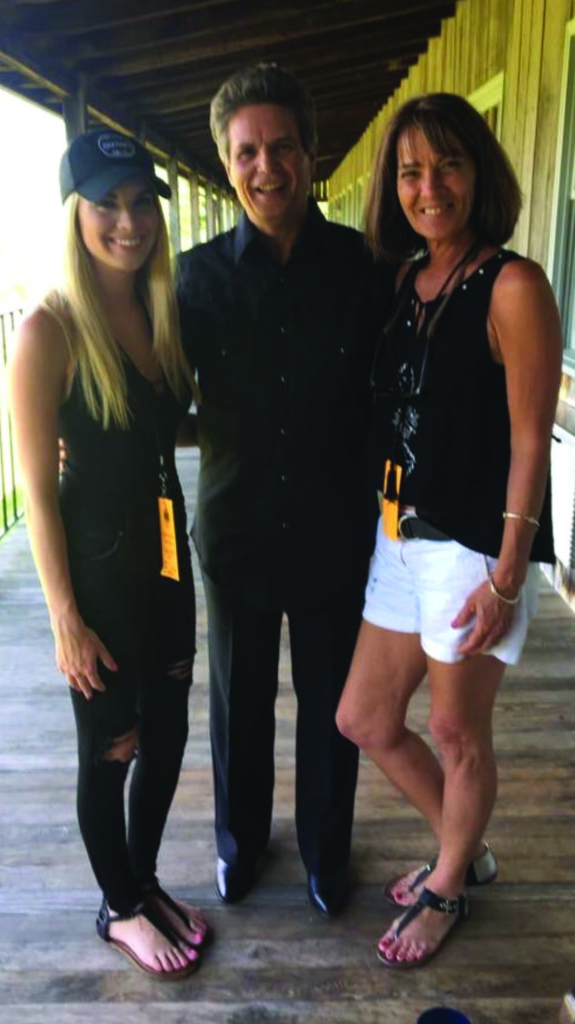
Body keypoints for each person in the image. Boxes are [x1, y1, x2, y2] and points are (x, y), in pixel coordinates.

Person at [336, 92, 562, 966]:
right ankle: (465, 852)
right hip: (400, 536)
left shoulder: (513, 284)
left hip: (471, 544)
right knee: (364, 717)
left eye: (448, 165)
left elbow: (528, 438)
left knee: (459, 731)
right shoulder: (406, 281)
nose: (429, 187)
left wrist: (508, 570)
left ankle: (447, 886)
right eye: (410, 171)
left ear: (481, 173)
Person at [177, 64, 390, 915]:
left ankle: (324, 855)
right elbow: (147, 383)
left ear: (311, 151)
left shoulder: (369, 266)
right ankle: (239, 844)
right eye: (247, 152)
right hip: (236, 535)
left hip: (339, 534)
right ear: (226, 164)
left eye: (282, 147)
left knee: (335, 712)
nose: (267, 166)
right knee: (239, 706)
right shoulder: (191, 280)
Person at [9, 128, 209, 978]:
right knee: (112, 748)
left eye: (139, 204)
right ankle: (119, 909)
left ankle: (142, 879)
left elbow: (169, 431)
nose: (127, 222)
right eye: (106, 205)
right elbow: (36, 493)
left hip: (167, 565)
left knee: (165, 739)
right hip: (96, 580)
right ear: (75, 213)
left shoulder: (161, 309)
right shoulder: (48, 331)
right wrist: (62, 616)